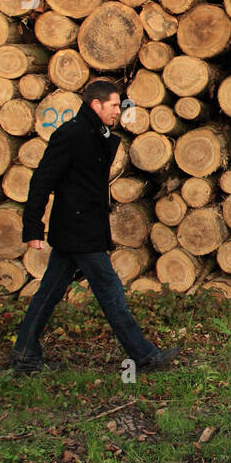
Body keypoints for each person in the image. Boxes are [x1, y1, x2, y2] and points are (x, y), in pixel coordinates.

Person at [11, 78, 179, 374]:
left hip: (81, 230)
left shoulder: (95, 133)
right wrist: (33, 227)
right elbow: (42, 180)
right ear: (96, 105)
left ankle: (25, 353)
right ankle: (143, 356)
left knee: (49, 292)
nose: (119, 111)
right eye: (114, 105)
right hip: (78, 230)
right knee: (110, 290)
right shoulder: (71, 134)